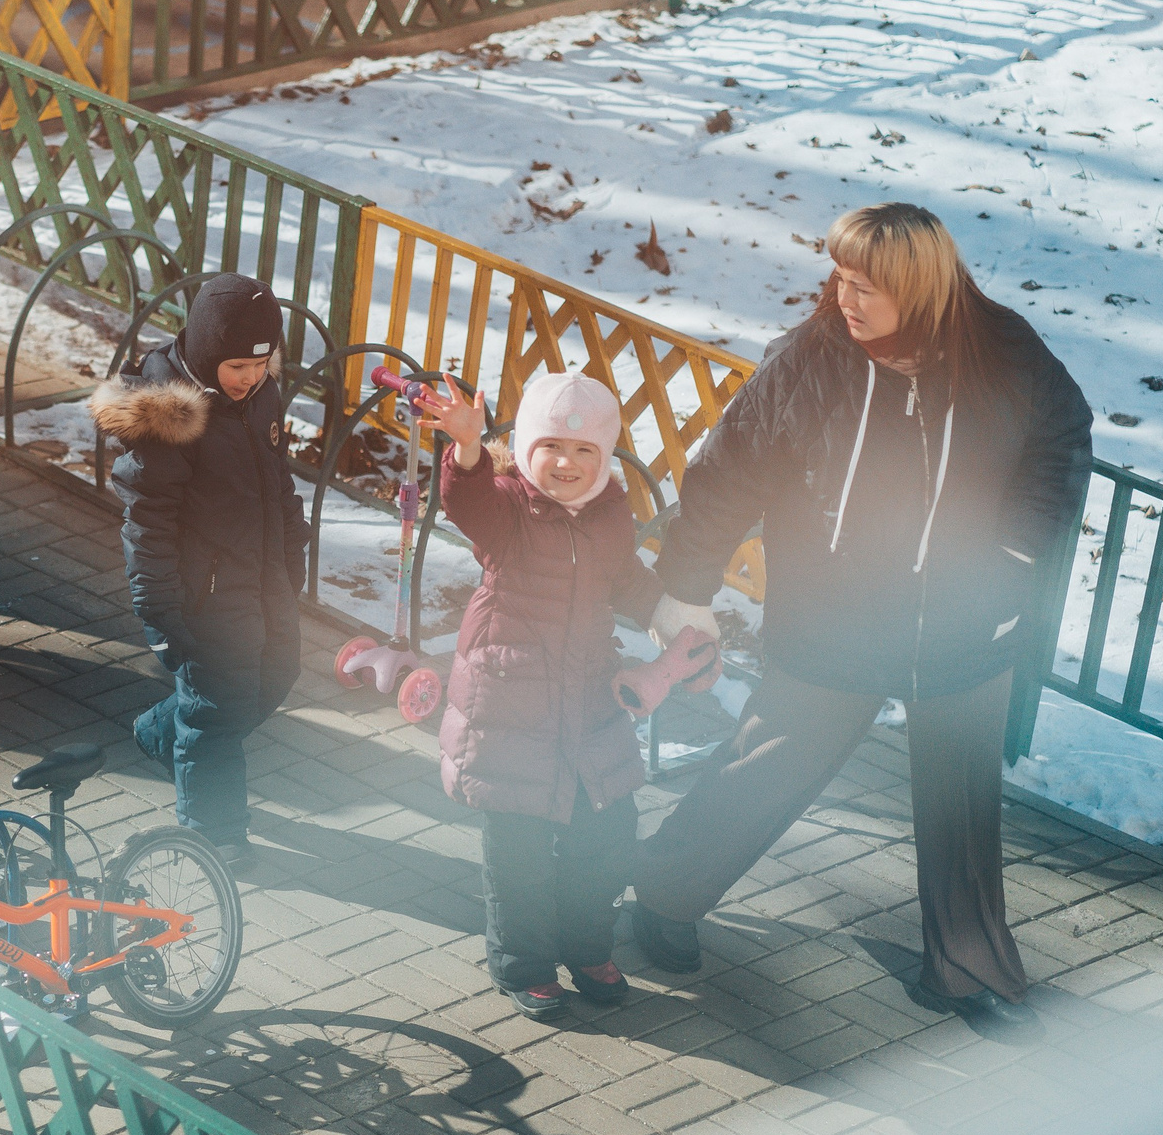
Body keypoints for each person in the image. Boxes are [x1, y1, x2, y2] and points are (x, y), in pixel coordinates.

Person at [634, 202, 1092, 1030]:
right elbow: (727, 469)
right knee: (767, 763)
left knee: (961, 802)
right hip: (836, 616)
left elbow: (1060, 444)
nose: (845, 298)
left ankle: (965, 965)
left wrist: (1013, 560)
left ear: (919, 289)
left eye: (867, 286)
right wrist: (689, 580)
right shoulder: (812, 361)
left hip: (964, 623)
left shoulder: (1006, 354)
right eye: (841, 277)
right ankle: (664, 893)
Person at [421, 369, 666, 1016]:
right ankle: (524, 962)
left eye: (585, 451)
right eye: (552, 446)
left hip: (588, 698)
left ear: (605, 457)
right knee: (520, 844)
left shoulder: (611, 514)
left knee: (608, 829)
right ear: (527, 448)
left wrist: (673, 618)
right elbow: (465, 502)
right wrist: (469, 450)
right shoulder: (507, 509)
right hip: (513, 704)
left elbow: (629, 581)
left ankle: (585, 943)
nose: (566, 463)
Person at [91, 273, 305, 869]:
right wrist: (159, 607)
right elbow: (148, 523)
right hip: (203, 593)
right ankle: (215, 833)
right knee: (215, 711)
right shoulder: (171, 420)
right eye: (237, 366)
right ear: (209, 354)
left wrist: (294, 552)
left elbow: (277, 482)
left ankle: (163, 732)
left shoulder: (260, 398)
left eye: (261, 365)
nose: (251, 378)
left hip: (263, 575)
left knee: (277, 676)